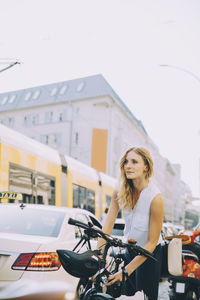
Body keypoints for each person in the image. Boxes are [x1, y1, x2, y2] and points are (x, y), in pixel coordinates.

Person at [97, 147, 164, 300]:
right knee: (126, 295)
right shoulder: (120, 191)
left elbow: (152, 242)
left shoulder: (155, 198)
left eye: (134, 162)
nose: (128, 165)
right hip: (130, 249)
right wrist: (98, 256)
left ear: (146, 167)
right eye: (126, 161)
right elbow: (108, 225)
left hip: (150, 253)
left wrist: (126, 271)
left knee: (145, 296)